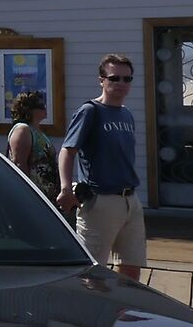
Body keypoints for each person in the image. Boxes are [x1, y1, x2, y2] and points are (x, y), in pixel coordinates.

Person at [56, 53, 146, 279]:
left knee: (131, 267)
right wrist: (66, 189)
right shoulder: (90, 111)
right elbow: (67, 151)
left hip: (130, 199)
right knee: (93, 271)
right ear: (102, 80)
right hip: (101, 201)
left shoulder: (126, 114)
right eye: (114, 78)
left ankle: (123, 302)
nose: (121, 83)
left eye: (127, 79)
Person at [4, 90, 49, 188]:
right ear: (28, 109)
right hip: (32, 191)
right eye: (41, 105)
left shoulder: (37, 131)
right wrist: (29, 191)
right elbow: (19, 164)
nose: (45, 108)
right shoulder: (23, 129)